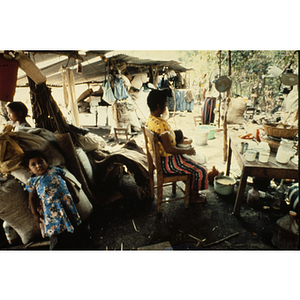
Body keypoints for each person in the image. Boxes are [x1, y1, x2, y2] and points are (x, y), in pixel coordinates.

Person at [146, 89, 208, 203]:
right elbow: (169, 149)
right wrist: (187, 151)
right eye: (165, 103)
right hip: (168, 163)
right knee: (200, 170)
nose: (166, 105)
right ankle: (193, 197)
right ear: (159, 106)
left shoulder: (150, 120)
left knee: (194, 164)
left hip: (159, 160)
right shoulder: (160, 125)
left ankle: (190, 189)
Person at [24, 150, 82, 250]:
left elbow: (67, 182)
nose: (38, 166)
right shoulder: (32, 181)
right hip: (51, 210)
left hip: (66, 203)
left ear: (46, 162)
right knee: (56, 232)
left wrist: (75, 194)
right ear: (29, 170)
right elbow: (32, 198)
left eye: (40, 162)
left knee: (72, 224)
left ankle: (77, 244)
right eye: (33, 165)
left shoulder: (56, 171)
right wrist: (35, 214)